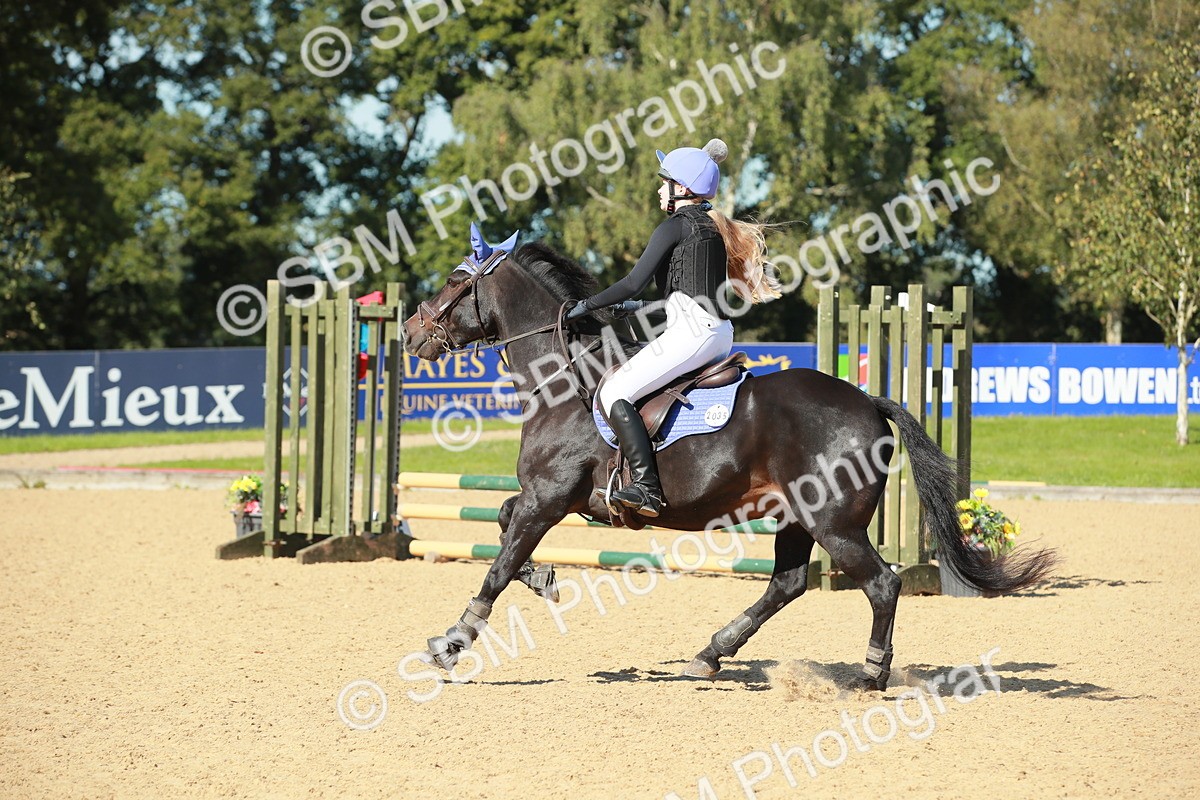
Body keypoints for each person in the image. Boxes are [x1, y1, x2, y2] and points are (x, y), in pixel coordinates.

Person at [565, 138, 781, 517]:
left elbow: (633, 281)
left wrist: (583, 306)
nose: (659, 189)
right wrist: (634, 308)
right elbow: (686, 296)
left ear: (681, 187)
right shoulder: (712, 227)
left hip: (692, 335)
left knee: (615, 391)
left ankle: (646, 488)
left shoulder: (676, 226)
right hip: (714, 333)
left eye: (663, 181)